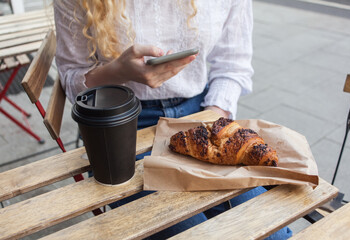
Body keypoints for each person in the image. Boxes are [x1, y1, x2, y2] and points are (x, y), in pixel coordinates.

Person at [54, 0, 292, 239]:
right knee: (196, 233)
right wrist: (119, 71)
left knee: (274, 233)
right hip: (122, 126)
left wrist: (213, 126)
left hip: (203, 115)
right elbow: (72, 78)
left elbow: (233, 65)